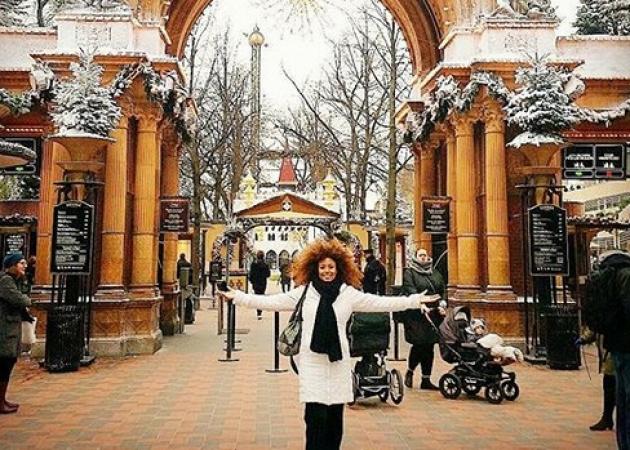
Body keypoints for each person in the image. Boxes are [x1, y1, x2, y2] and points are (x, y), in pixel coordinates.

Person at [217, 238, 438, 450]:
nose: (327, 271)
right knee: (315, 418)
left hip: (338, 363)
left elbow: (380, 303)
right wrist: (237, 296)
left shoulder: (348, 294)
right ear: (314, 268)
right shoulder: (304, 293)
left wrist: (414, 301)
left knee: (334, 421)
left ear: (339, 268)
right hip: (312, 363)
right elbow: (270, 302)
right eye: (322, 267)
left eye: (331, 267)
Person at [596, 250, 630, 449]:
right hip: (626, 342)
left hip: (614, 343)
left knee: (623, 397)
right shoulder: (626, 275)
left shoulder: (609, 274)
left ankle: (623, 442)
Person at [400, 248, 446, 390]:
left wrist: (442, 303)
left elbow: (441, 289)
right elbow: (410, 289)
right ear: (415, 257)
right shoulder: (410, 272)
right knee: (419, 344)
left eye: (425, 255)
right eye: (421, 255)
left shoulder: (435, 273)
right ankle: (410, 370)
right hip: (416, 314)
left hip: (433, 314)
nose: (423, 258)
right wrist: (420, 303)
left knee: (430, 346)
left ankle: (426, 379)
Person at [0, 252, 32, 414]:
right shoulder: (5, 281)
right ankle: (0, 402)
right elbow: (21, 300)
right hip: (4, 329)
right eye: (21, 263)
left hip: (10, 328)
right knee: (4, 364)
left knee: (8, 363)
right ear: (12, 265)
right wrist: (26, 300)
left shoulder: (15, 281)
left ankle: (2, 399)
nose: (25, 266)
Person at [578, 327, 616, 431]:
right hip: (610, 352)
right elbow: (597, 325)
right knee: (609, 385)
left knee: (614, 387)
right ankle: (607, 417)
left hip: (616, 350)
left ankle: (609, 418)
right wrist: (585, 338)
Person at [248, 250, 271, 319]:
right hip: (263, 283)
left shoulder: (253, 265)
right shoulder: (265, 265)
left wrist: (252, 281)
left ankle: (258, 312)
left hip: (256, 284)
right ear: (263, 257)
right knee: (261, 296)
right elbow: (268, 274)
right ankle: (260, 312)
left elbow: (251, 275)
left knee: (257, 296)